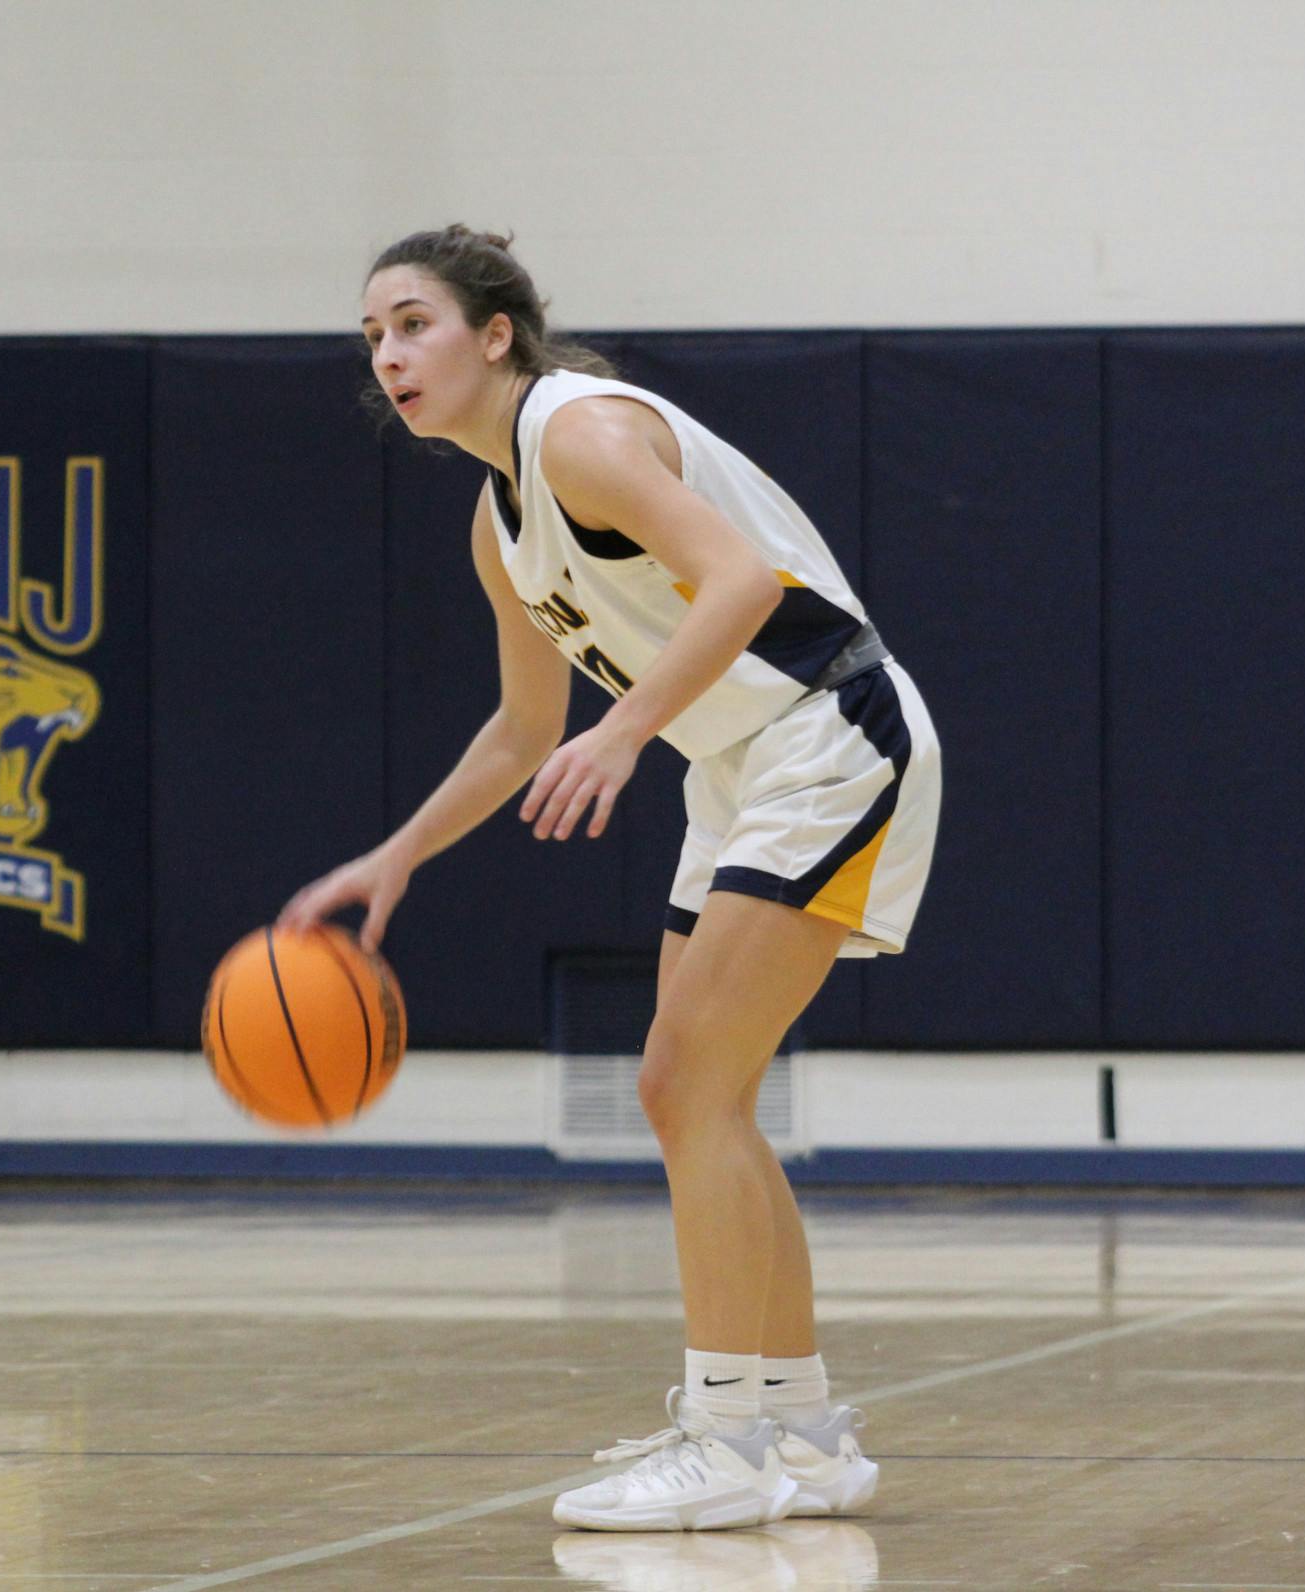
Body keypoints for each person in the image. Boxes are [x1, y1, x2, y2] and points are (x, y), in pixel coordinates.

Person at [282, 225, 941, 1532]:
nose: (389, 355)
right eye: (371, 336)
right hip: (738, 762)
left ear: (495, 335)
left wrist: (627, 729)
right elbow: (525, 731)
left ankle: (726, 1438)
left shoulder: (580, 434)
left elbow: (747, 580)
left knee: (687, 1083)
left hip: (826, 726)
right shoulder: (499, 520)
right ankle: (800, 1431)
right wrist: (395, 855)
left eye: (411, 324)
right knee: (696, 1094)